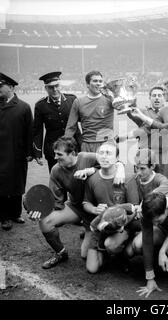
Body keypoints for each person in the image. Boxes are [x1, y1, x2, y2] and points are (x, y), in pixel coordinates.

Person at [27, 137, 124, 269]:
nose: (55, 157)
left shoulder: (87, 157)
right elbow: (55, 203)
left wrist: (120, 169)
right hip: (77, 207)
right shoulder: (56, 170)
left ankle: (110, 248)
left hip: (98, 209)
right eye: (55, 153)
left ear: (72, 153)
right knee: (45, 221)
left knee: (85, 255)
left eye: (59, 154)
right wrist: (39, 211)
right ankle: (60, 253)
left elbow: (113, 160)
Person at [82, 141, 140, 274]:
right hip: (100, 226)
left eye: (108, 153)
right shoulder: (92, 179)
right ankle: (105, 253)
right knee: (91, 267)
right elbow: (86, 203)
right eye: (101, 153)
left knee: (111, 245)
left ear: (117, 158)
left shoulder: (128, 179)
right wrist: (94, 209)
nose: (104, 156)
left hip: (122, 227)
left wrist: (116, 222)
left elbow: (135, 208)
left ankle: (122, 255)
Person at [132, 189, 168, 298]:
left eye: (158, 221)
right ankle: (156, 264)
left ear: (167, 209)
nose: (154, 224)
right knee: (138, 244)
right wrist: (150, 278)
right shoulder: (146, 212)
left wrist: (163, 251)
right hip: (165, 231)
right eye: (152, 222)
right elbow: (147, 242)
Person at [0, 73, 33, 230]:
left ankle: (16, 213)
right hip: (1, 153)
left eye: (1, 86)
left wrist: (29, 152)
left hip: (17, 154)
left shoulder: (24, 107)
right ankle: (4, 217)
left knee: (17, 183)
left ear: (11, 87)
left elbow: (29, 132)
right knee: (2, 185)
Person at [33, 72, 81, 172]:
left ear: (60, 85)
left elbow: (84, 120)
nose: (55, 89)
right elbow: (38, 131)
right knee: (57, 180)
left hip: (74, 147)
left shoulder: (72, 100)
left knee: (78, 178)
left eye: (56, 86)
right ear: (46, 88)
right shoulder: (40, 105)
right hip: (53, 150)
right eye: (51, 87)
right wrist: (37, 153)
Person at [65, 70, 114, 152]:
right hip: (87, 145)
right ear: (88, 84)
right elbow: (71, 127)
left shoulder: (110, 99)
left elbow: (125, 108)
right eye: (95, 81)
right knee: (86, 165)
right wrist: (65, 144)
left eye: (100, 81)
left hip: (107, 144)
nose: (98, 83)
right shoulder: (78, 102)